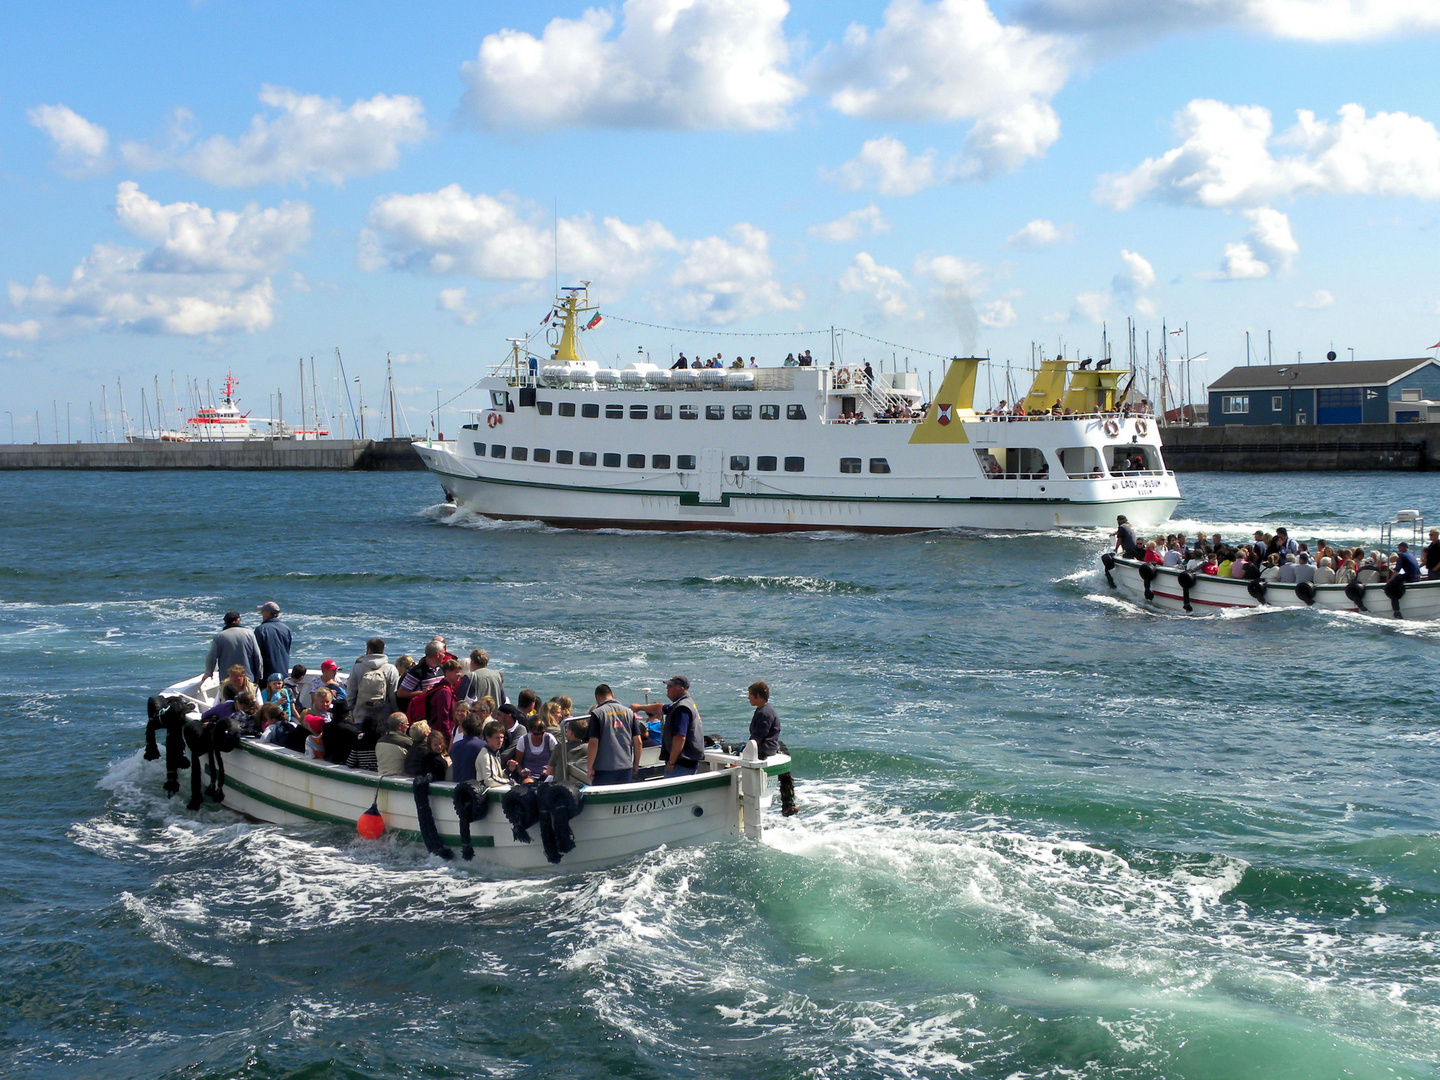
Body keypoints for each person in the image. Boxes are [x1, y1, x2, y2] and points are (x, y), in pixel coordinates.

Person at [633, 675, 704, 778]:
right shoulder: (683, 703)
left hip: (681, 763)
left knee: (674, 793)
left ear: (681, 689)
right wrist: (639, 707)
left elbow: (680, 738)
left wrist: (671, 762)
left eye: (670, 686)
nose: (667, 688)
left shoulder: (681, 709)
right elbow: (659, 708)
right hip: (685, 762)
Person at [586, 684, 644, 786]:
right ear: (612, 695)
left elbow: (593, 743)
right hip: (626, 767)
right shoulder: (629, 712)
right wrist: (635, 764)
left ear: (598, 697)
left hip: (604, 769)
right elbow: (638, 741)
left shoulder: (597, 713)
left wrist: (590, 767)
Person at [347, 638, 399, 734]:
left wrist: (352, 713)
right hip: (384, 717)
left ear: (369, 650)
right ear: (383, 650)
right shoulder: (391, 669)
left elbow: (351, 694)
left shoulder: (356, 668)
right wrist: (394, 712)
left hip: (360, 716)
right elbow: (393, 695)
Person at [204, 610, 262, 685]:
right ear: (237, 620)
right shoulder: (249, 634)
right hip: (247, 678)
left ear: (226, 622)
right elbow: (257, 656)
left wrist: (208, 673)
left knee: (227, 696)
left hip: (227, 679)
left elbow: (211, 658)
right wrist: (259, 676)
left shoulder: (219, 636)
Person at [396, 641, 446, 716]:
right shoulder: (417, 672)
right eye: (443, 653)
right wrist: (423, 693)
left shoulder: (441, 669)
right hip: (423, 714)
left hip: (437, 712)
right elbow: (400, 693)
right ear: (437, 654)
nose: (444, 656)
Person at [425, 659, 465, 743]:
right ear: (447, 672)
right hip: (443, 737)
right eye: (456, 672)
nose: (459, 674)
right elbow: (443, 718)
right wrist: (449, 738)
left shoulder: (448, 689)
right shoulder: (445, 692)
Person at [253, 601, 292, 684]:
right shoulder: (286, 629)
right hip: (283, 673)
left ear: (268, 613)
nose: (261, 613)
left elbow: (256, 654)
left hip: (267, 675)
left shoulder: (261, 629)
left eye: (262, 611)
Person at [513, 717, 557, 783]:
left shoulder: (549, 738)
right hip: (529, 776)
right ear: (530, 731)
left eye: (542, 733)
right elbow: (518, 763)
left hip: (547, 775)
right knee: (527, 784)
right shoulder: (523, 740)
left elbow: (556, 760)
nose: (539, 736)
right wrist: (522, 772)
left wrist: (549, 771)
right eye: (536, 734)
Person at [547, 718, 590, 783]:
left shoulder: (560, 748)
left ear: (571, 732)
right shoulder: (588, 748)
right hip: (581, 784)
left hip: (561, 786)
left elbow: (549, 771)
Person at [747, 681, 782, 758]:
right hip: (768, 748)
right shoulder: (764, 709)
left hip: (764, 750)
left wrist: (744, 751)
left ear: (758, 696)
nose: (748, 697)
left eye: (750, 695)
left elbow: (757, 739)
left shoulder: (764, 713)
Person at [449, 713, 485, 782]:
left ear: (463, 729)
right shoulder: (484, 746)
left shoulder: (455, 746)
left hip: (458, 787)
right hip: (476, 787)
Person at [478, 721, 511, 788]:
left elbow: (497, 776)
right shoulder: (486, 756)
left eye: (502, 737)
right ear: (488, 738)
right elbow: (490, 780)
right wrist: (509, 782)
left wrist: (508, 770)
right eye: (497, 738)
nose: (500, 740)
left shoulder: (495, 753)